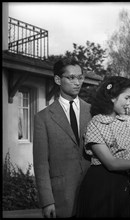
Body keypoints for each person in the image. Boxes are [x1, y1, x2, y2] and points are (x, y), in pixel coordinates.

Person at [76, 76, 130, 218]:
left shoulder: (127, 121)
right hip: (101, 187)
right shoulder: (96, 124)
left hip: (122, 185)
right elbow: (111, 163)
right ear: (112, 98)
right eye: (126, 98)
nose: (129, 103)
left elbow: (128, 155)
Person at [33, 58, 91, 218]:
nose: (77, 82)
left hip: (93, 194)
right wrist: (47, 201)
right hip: (62, 199)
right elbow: (41, 164)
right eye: (71, 77)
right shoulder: (42, 118)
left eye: (80, 77)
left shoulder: (93, 112)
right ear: (58, 79)